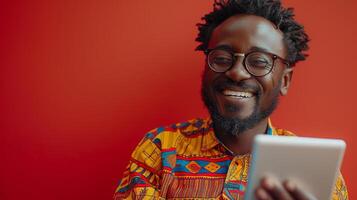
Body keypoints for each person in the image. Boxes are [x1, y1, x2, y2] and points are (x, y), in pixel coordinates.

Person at [113, 0, 348, 199]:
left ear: (285, 81)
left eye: (259, 61)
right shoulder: (161, 150)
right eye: (222, 58)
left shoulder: (317, 173)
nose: (237, 73)